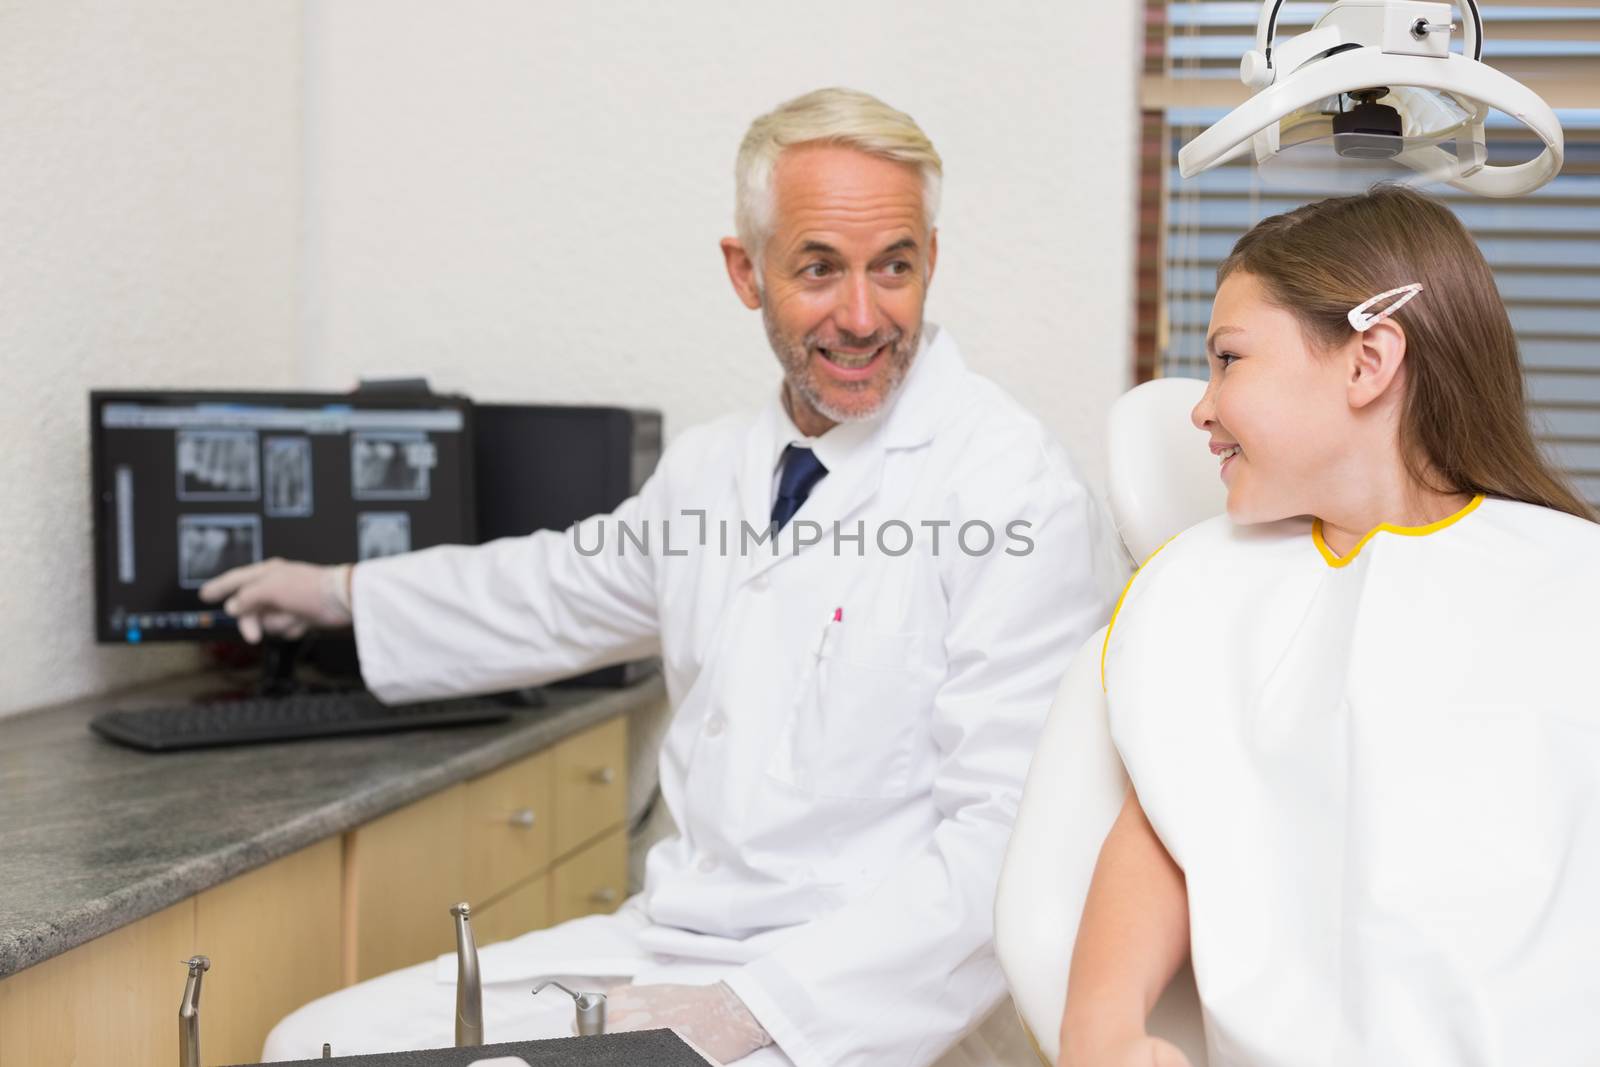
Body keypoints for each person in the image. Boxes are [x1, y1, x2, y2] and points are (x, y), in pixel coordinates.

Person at [203, 87, 1122, 1066]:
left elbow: (1008, 842)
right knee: (310, 1042)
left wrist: (760, 1007)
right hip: (672, 943)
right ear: (745, 270)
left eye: (892, 266)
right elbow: (552, 587)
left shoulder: (1014, 489)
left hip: (865, 997)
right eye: (818, 268)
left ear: (930, 260)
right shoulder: (712, 466)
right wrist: (340, 592)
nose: (862, 315)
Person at [1060, 184, 1600, 1067]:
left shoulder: (1571, 588)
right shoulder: (1213, 592)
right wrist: (1104, 1028)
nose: (1200, 406)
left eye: (1229, 360)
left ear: (1367, 360)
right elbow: (1172, 812)